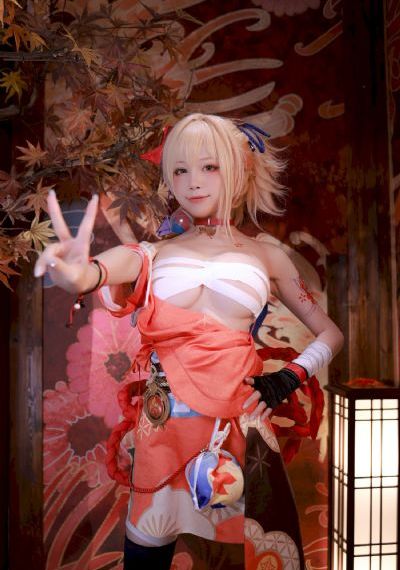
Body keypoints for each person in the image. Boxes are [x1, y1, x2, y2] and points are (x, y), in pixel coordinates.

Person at [35, 113, 343, 570]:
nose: (192, 182)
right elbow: (94, 273)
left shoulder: (266, 255)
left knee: (255, 553)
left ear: (237, 168)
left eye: (208, 167)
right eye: (179, 170)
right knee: (147, 556)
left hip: (240, 424)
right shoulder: (153, 254)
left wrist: (287, 378)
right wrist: (75, 272)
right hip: (165, 427)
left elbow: (331, 333)